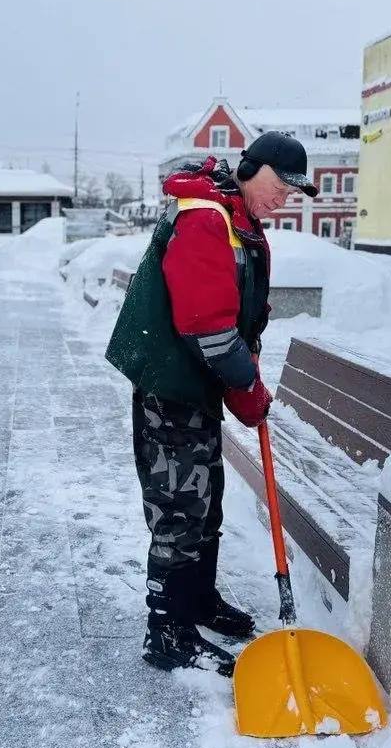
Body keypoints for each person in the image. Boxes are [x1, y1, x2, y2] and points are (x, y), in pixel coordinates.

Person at [105, 132, 319, 677]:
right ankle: (167, 628)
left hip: (194, 383)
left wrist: (248, 361)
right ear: (254, 169)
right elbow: (207, 326)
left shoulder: (237, 220)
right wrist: (247, 391)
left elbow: (242, 313)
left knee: (206, 498)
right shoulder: (206, 219)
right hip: (173, 384)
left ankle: (197, 601)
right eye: (279, 184)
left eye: (292, 191)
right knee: (179, 507)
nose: (283, 197)